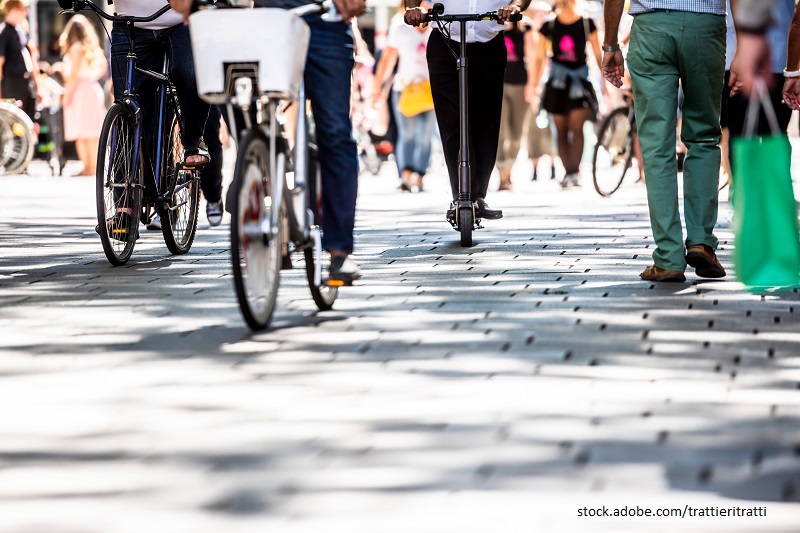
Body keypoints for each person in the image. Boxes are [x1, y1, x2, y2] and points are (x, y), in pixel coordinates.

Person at [173, 0, 366, 284]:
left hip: (323, 18)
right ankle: (261, 174)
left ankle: (339, 252)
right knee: (240, 108)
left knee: (334, 132)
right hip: (256, 20)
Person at [603, 0, 727, 283]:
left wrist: (610, 45)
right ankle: (701, 242)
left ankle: (669, 256)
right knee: (705, 138)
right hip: (705, 24)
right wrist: (744, 44)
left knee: (657, 147)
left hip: (652, 27)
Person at [405, 0, 530, 224]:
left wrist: (515, 7)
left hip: (489, 41)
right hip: (445, 40)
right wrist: (413, 8)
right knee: (451, 121)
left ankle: (479, 196)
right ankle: (462, 197)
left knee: (487, 122)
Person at [110, 0, 222, 231]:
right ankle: (124, 209)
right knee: (127, 111)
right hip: (128, 24)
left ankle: (193, 142)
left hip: (179, 23)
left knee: (189, 74)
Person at [530, 0, 601, 189]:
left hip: (580, 81)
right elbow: (539, 58)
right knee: (560, 131)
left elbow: (597, 54)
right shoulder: (549, 25)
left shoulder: (587, 22)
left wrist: (607, 86)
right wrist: (534, 86)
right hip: (556, 83)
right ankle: (568, 172)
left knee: (577, 129)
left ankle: (575, 172)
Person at [373, 1, 436, 193]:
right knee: (406, 135)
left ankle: (419, 174)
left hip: (431, 90)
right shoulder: (400, 27)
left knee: (426, 136)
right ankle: (406, 175)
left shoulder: (437, 25)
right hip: (404, 88)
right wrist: (377, 87)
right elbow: (387, 59)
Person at [58, 14, 107, 177]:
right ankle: (92, 167)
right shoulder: (93, 48)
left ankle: (87, 167)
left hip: (79, 90)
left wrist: (67, 96)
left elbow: (73, 75)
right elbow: (103, 68)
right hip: (92, 88)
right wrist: (90, 77)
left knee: (81, 129)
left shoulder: (75, 47)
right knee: (92, 130)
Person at [495, 16, 534, 190]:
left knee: (517, 133)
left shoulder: (525, 29)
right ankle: (502, 174)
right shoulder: (492, 29)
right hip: (498, 86)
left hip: (521, 85)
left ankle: (509, 170)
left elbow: (533, 58)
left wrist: (532, 86)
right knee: (499, 133)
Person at [0, 0, 39, 121]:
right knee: (16, 121)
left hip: (26, 81)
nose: (26, 13)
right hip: (12, 83)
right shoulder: (4, 32)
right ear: (13, 10)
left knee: (30, 119)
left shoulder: (20, 30)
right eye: (23, 9)